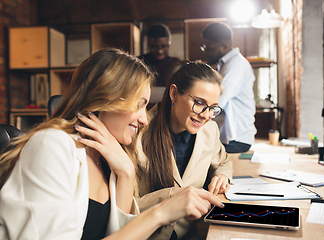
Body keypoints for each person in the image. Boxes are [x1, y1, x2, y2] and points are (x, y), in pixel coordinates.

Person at [0, 48, 224, 240]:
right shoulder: (52, 146)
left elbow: (123, 234)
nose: (145, 119)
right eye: (138, 104)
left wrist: (126, 173)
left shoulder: (112, 160)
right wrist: (161, 212)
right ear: (106, 97)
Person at [136, 61, 233, 240]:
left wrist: (222, 177)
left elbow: (223, 161)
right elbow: (125, 206)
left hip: (191, 235)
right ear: (174, 94)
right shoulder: (138, 132)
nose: (206, 115)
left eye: (213, 108)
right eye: (199, 102)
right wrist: (170, 196)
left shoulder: (209, 130)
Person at [201, 22, 257, 153]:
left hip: (236, 139)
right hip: (231, 137)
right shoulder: (227, 64)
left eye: (208, 48)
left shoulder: (236, 65)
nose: (206, 53)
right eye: (204, 47)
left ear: (224, 46)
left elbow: (218, 101)